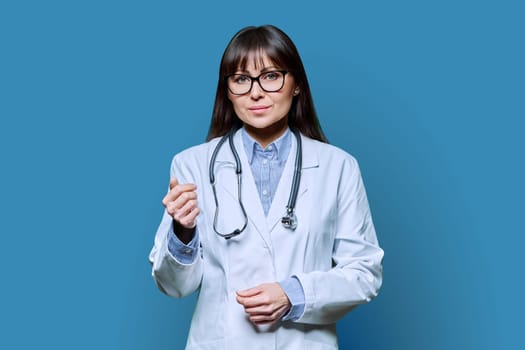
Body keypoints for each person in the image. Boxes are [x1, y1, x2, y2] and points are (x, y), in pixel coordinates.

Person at [149, 24, 383, 350]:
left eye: (271, 76)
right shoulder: (192, 166)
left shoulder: (339, 167)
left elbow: (364, 273)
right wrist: (183, 231)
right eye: (241, 79)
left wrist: (293, 294)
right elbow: (174, 287)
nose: (256, 92)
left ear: (296, 84)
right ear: (228, 91)